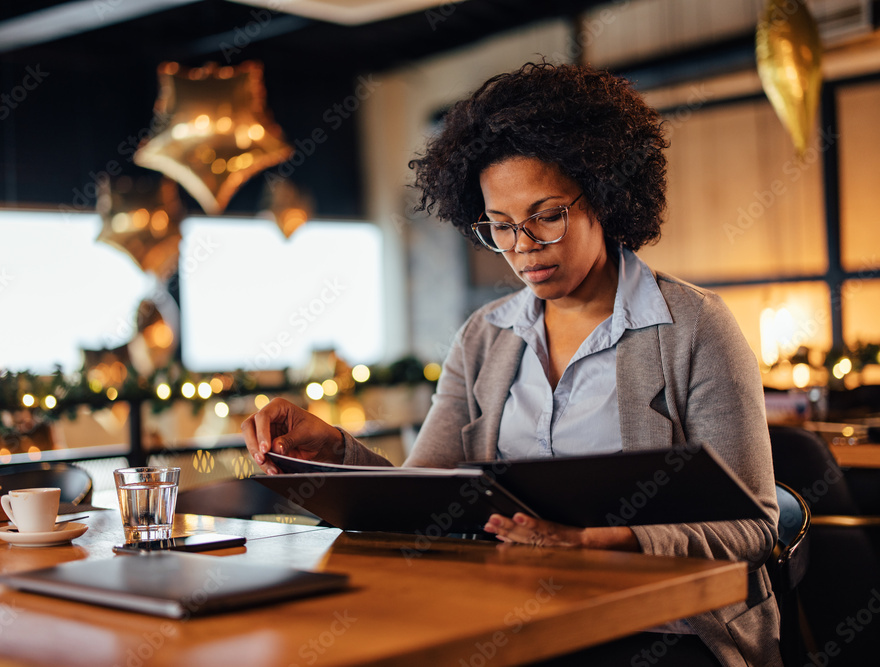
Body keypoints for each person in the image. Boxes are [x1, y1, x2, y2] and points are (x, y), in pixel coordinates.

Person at [241, 62, 780, 667]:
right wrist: (334, 450)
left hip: (668, 630)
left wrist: (610, 542)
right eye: (500, 226)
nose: (523, 246)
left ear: (603, 193)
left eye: (546, 215)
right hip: (514, 618)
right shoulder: (484, 337)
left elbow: (755, 529)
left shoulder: (695, 327)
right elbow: (426, 501)